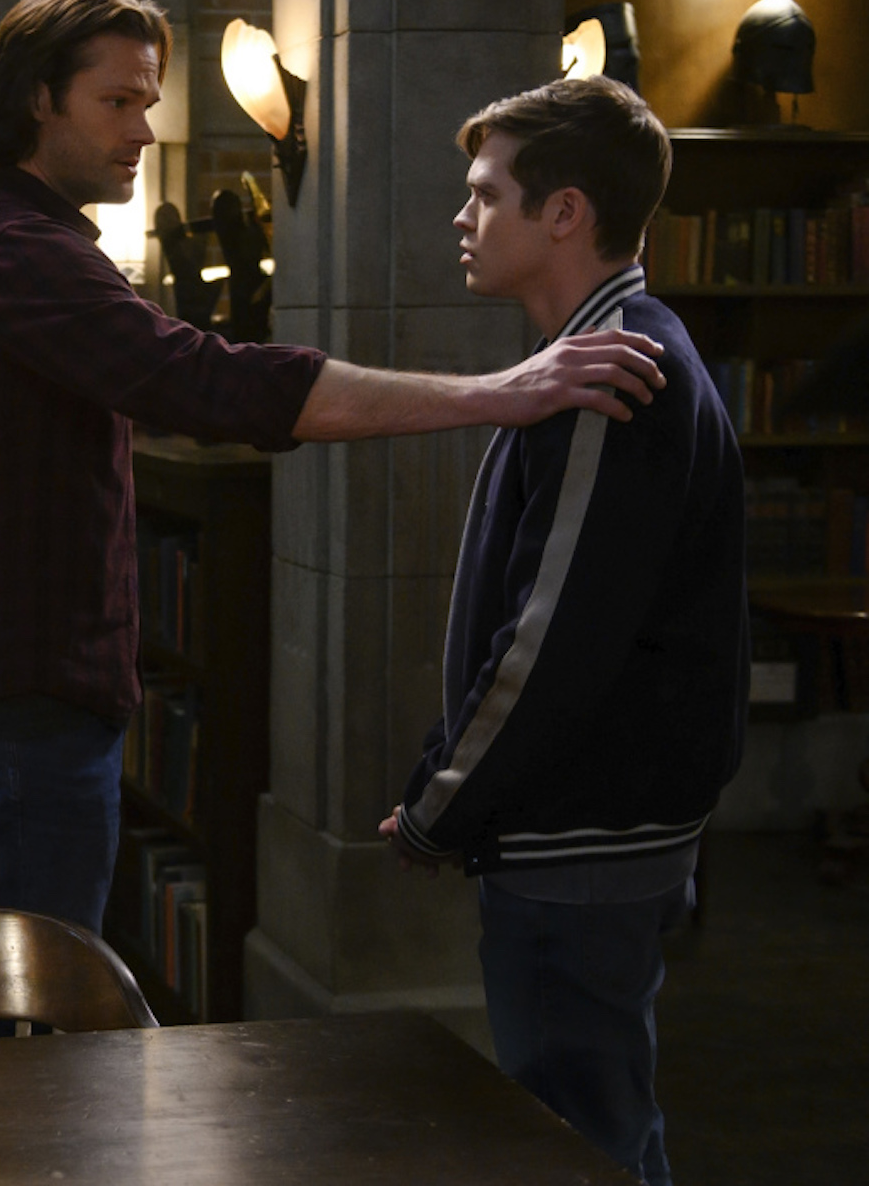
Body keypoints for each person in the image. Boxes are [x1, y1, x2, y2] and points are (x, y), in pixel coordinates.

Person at [0, 0, 670, 938]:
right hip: (16, 711)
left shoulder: (15, 240)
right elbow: (215, 383)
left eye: (147, 101)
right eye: (117, 101)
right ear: (37, 99)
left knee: (38, 987)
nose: (143, 130)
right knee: (32, 1000)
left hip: (20, 703)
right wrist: (499, 392)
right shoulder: (13, 251)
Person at [379, 75, 745, 1186]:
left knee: (576, 1142)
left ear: (566, 213)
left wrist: (441, 804)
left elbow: (549, 641)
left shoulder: (611, 368)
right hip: (592, 823)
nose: (462, 216)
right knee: (608, 1125)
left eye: (487, 194)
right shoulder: (602, 348)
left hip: (580, 833)